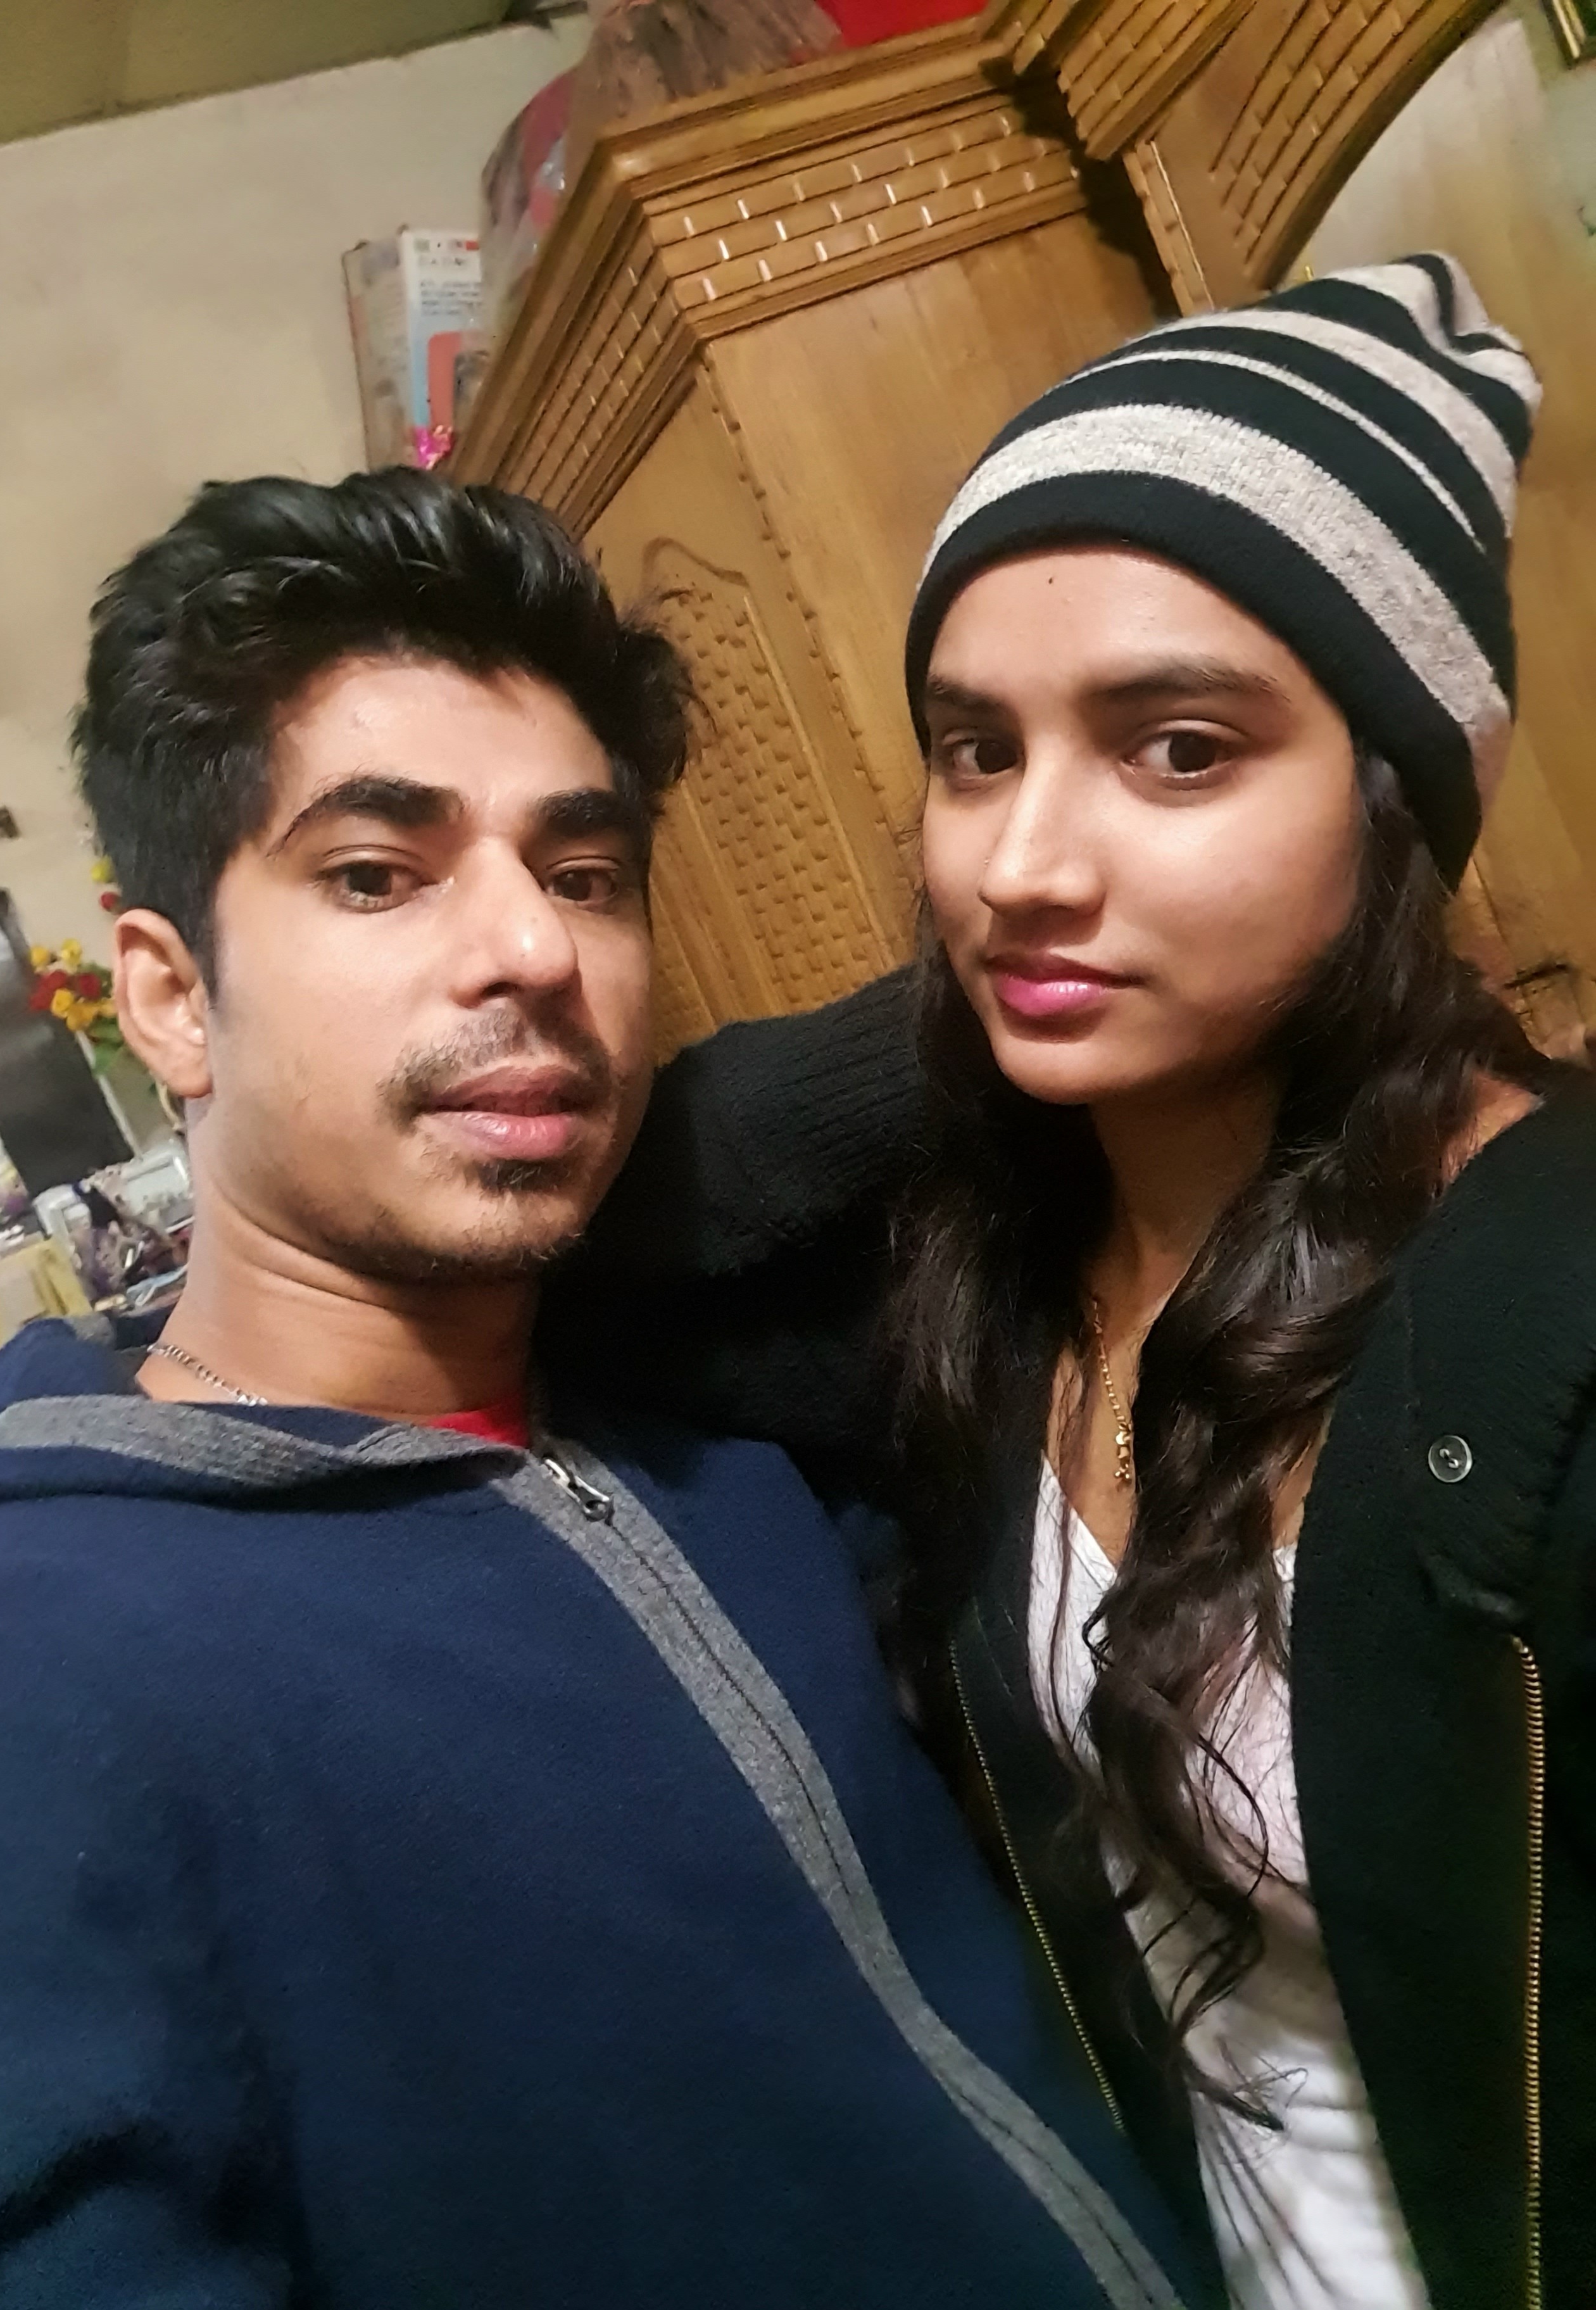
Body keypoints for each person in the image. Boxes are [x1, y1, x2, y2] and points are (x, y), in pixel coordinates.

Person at [0, 474, 1195, 2310]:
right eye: (376, 873)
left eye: (584, 875)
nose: (535, 951)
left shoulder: (723, 1424)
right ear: (167, 997)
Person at [556, 257, 1596, 2310]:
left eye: (1179, 750)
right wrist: (962, 1020)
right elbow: (615, 1239)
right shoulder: (996, 1280)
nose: (1022, 863)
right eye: (974, 752)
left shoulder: (1549, 1319)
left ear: (1403, 794)